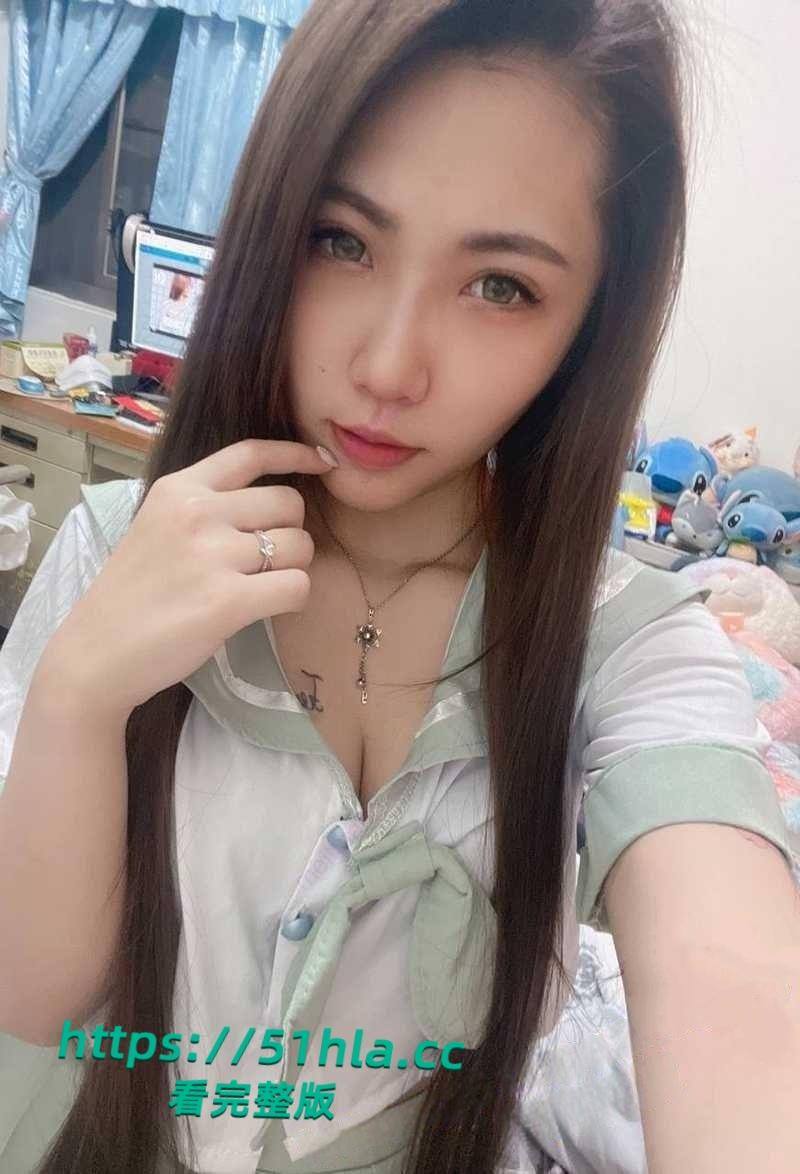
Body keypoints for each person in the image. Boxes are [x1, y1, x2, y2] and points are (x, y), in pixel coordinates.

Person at [0, 1, 798, 1172]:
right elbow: (33, 1002)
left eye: (500, 286)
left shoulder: (625, 645)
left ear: (588, 322)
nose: (386, 367)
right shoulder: (120, 553)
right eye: (341, 240)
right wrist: (77, 695)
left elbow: (733, 983)